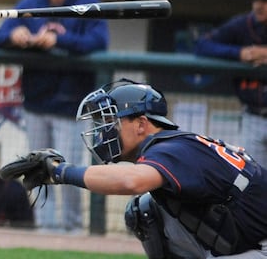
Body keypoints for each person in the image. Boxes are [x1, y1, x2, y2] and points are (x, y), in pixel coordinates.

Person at [19, 78, 267, 258]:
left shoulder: (173, 149)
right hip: (247, 242)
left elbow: (130, 182)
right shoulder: (175, 144)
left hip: (259, 246)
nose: (105, 131)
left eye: (111, 121)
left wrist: (59, 172)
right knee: (144, 209)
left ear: (141, 124)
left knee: (144, 207)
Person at [0, 0, 109, 233]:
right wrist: (14, 36)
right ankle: (45, 231)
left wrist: (59, 40)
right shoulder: (31, 2)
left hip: (72, 105)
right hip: (36, 100)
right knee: (37, 171)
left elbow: (98, 42)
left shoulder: (87, 2)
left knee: (67, 172)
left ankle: (72, 229)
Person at [195, 0, 267, 166]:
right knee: (253, 180)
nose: (259, 6)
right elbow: (202, 45)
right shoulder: (243, 25)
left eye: (265, 1)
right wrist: (238, 53)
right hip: (254, 116)